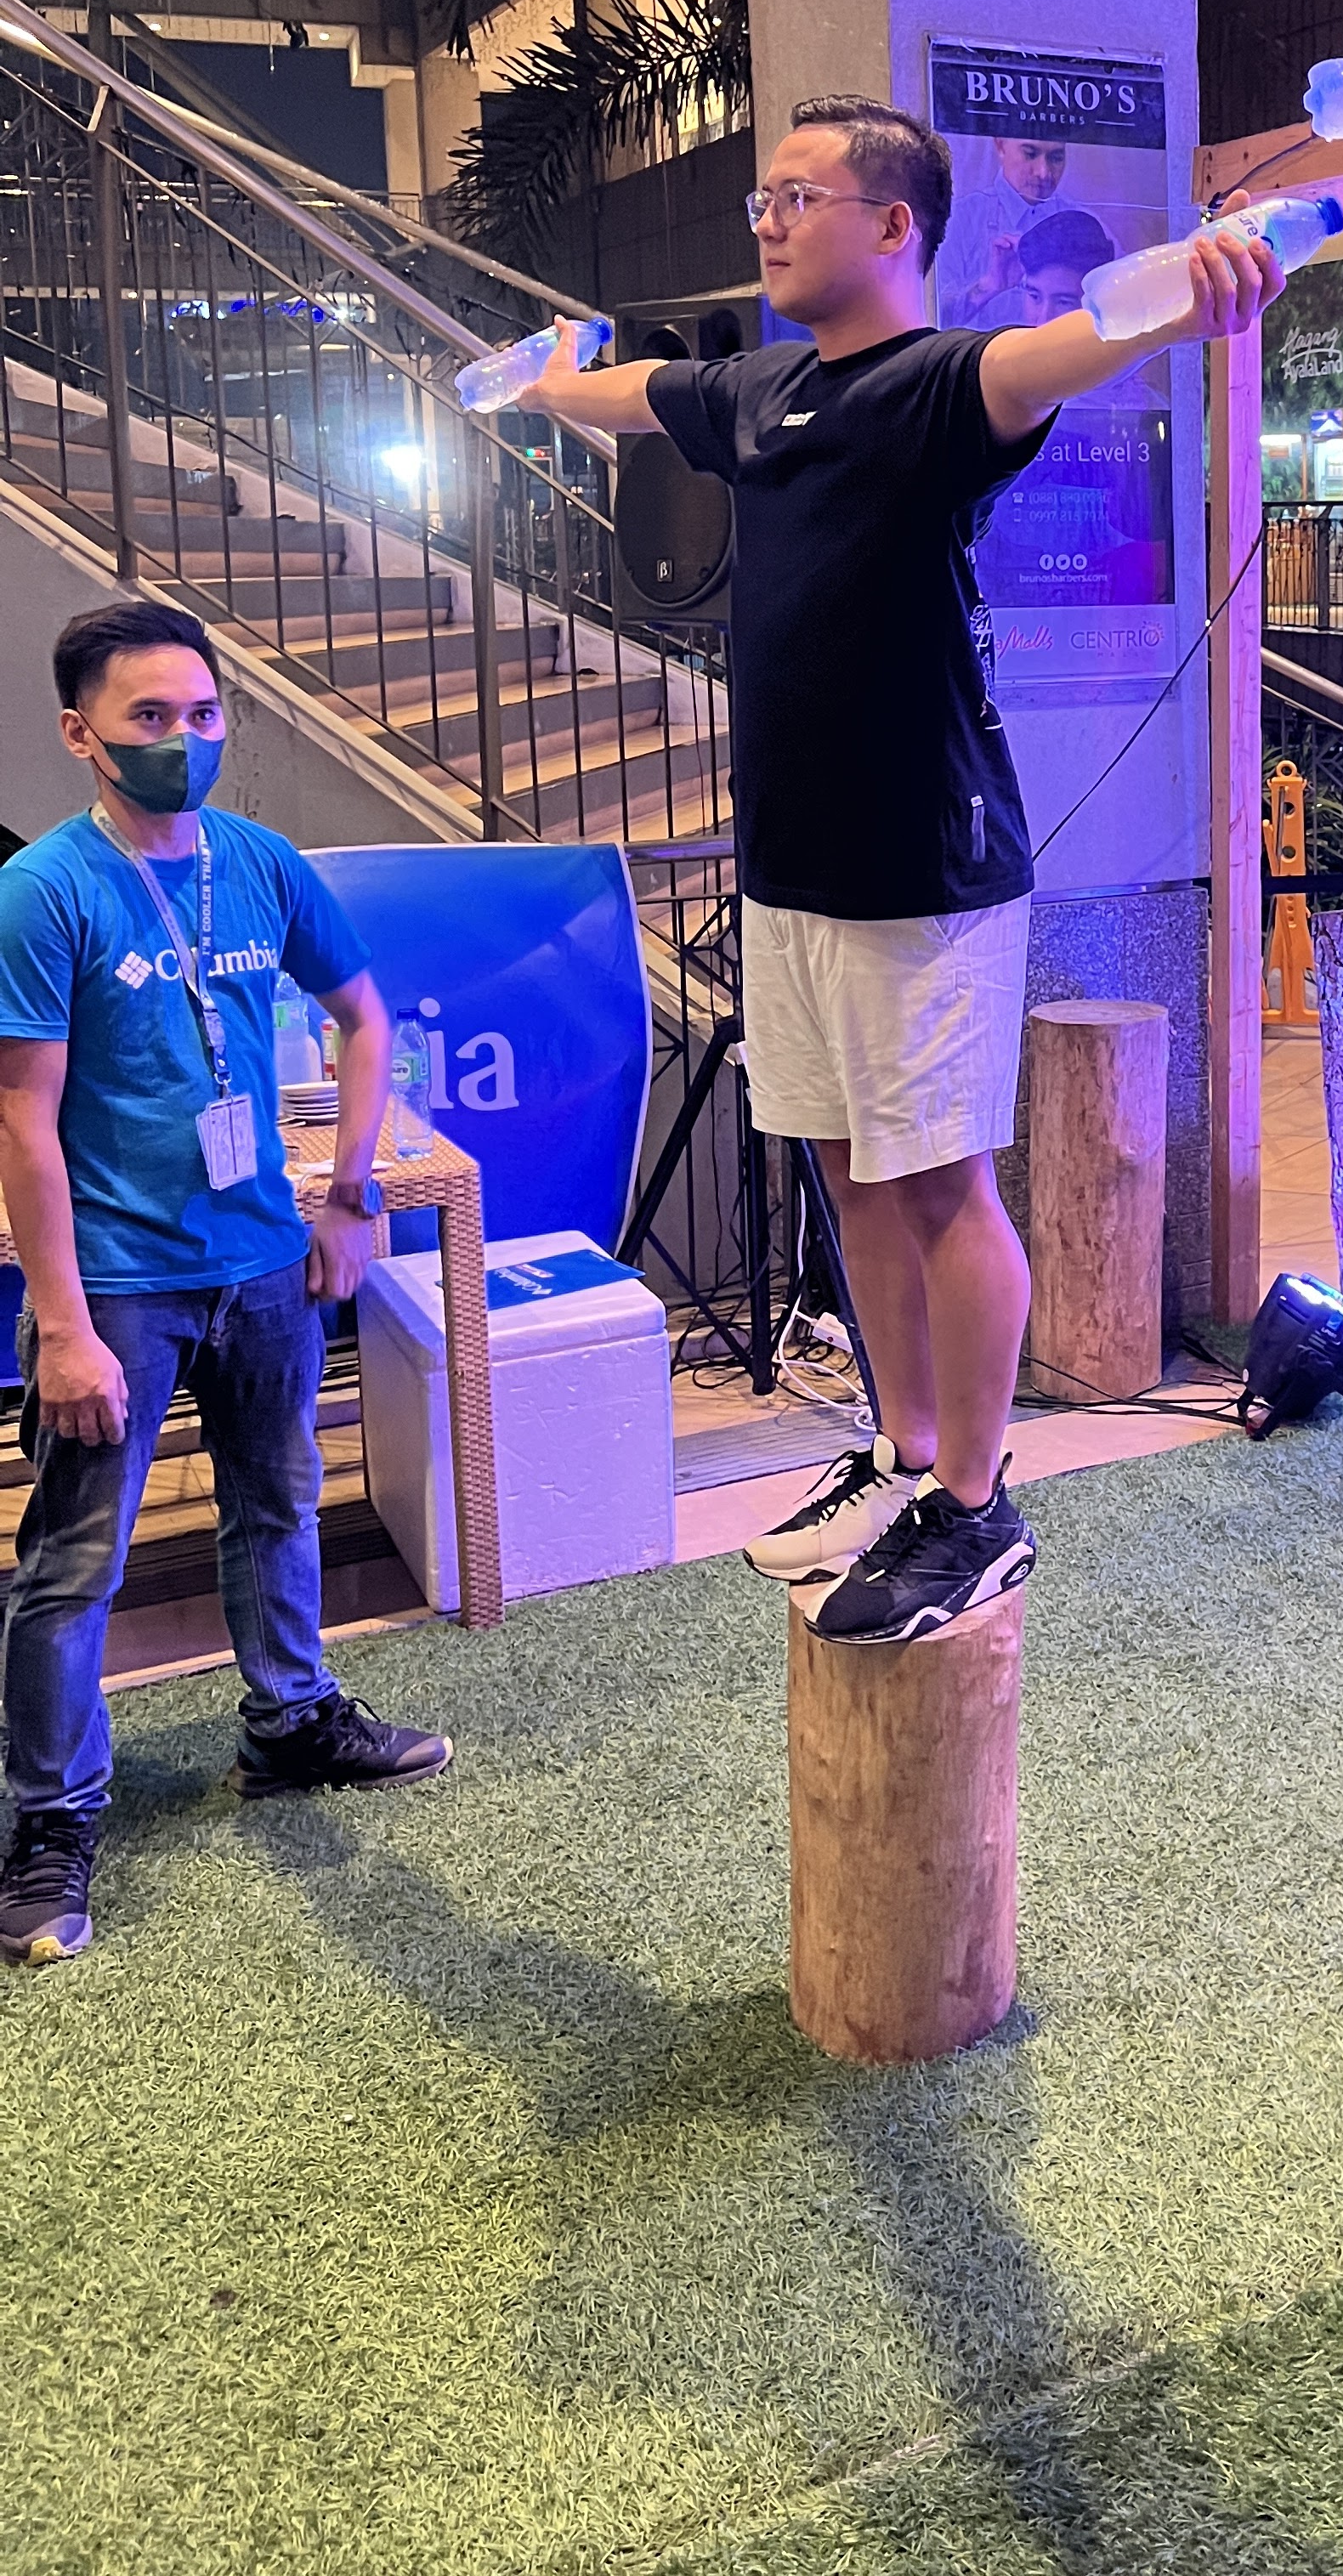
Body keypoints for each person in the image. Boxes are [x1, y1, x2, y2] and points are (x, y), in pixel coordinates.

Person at [524, 95, 1278, 1645]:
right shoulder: (757, 390)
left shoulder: (940, 384)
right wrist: (546, 380)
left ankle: (979, 1505)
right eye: (761, 199)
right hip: (791, 870)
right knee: (849, 1172)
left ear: (891, 225)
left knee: (939, 1187)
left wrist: (1191, 288)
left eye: (795, 196)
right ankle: (903, 1453)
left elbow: (1076, 339)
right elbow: (628, 396)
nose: (766, 220)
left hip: (924, 873)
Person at [0, 603, 452, 1968]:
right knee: (73, 1564)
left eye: (203, 715)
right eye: (150, 717)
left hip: (264, 1263)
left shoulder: (258, 863)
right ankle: (50, 1819)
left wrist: (352, 1194)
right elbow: (23, 1123)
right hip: (119, 1288)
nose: (184, 740)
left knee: (278, 1504)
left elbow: (363, 1017)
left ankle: (290, 1723)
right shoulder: (44, 892)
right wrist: (62, 1326)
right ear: (80, 733)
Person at [939, 133, 1074, 324]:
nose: (1043, 173)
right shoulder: (959, 220)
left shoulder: (1083, 223)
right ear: (1001, 146)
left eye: (1056, 158)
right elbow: (932, 320)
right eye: (1030, 154)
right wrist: (989, 286)